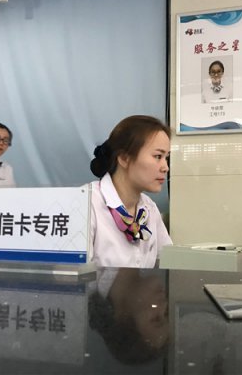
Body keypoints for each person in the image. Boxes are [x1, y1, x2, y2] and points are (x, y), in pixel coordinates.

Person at [89, 115, 172, 268]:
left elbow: (169, 263)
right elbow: (69, 276)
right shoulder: (87, 205)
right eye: (158, 156)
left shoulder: (149, 208)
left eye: (166, 157)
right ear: (124, 158)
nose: (165, 167)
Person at [89, 267, 169, 364]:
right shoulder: (144, 261)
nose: (164, 305)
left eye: (156, 318)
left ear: (123, 317)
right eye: (165, 314)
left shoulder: (87, 264)